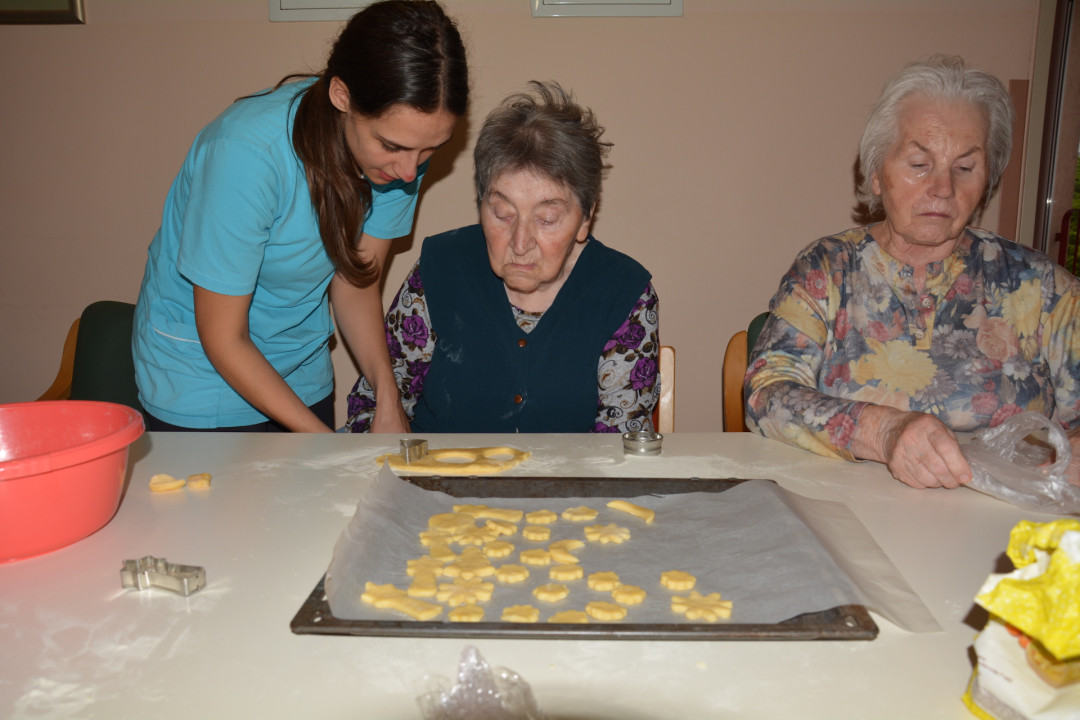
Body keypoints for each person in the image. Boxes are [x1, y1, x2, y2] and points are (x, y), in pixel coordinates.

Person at [745, 55, 1080, 490]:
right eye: (919, 164)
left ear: (987, 181)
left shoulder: (1044, 289)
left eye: (965, 167)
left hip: (1001, 527)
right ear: (878, 174)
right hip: (851, 514)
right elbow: (765, 395)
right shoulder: (827, 269)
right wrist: (883, 431)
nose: (943, 188)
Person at [132, 0, 468, 432]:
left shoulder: (399, 156)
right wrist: (323, 445)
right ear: (341, 95)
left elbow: (355, 283)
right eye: (393, 146)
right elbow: (223, 337)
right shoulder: (246, 156)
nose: (409, 171)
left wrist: (388, 395)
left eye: (429, 150)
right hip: (201, 381)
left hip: (301, 371)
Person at [344, 81, 659, 433]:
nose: (520, 242)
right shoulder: (441, 270)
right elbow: (375, 403)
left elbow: (622, 447)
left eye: (547, 219)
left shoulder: (624, 293)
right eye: (502, 214)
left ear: (585, 218)